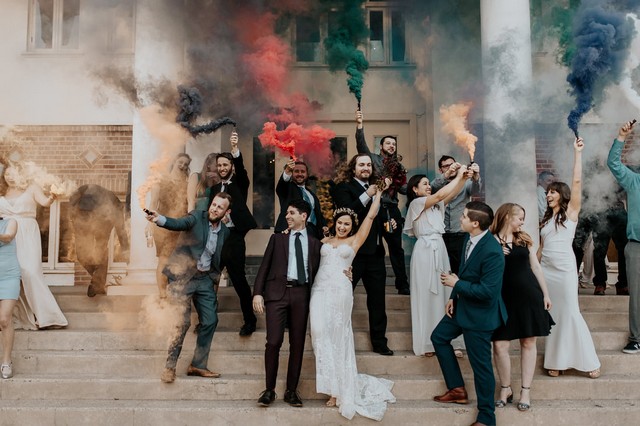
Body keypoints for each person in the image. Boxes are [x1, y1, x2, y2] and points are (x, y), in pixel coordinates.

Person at [310, 179, 396, 421]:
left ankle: (336, 391)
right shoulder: (325, 241)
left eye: (347, 224)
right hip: (319, 291)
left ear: (351, 226)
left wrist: (378, 194)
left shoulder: (354, 241)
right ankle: (329, 382)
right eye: (340, 223)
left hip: (340, 292)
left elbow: (369, 218)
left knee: (338, 338)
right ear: (334, 223)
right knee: (318, 333)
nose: (343, 227)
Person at [431, 201, 506, 426]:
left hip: (480, 317)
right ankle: (457, 389)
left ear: (475, 223)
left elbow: (488, 292)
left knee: (481, 367)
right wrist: (454, 297)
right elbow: (465, 273)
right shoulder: (468, 238)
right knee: (438, 337)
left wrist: (457, 284)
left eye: (463, 216)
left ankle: (486, 417)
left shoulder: (493, 251)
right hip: (461, 307)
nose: (460, 219)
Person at [146, 192, 231, 384]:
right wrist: (158, 219)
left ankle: (198, 365)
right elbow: (177, 223)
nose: (215, 209)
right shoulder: (196, 217)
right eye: (214, 205)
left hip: (204, 280)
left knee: (210, 320)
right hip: (182, 278)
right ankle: (170, 366)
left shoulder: (225, 231)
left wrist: (213, 279)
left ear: (226, 212)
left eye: (220, 207)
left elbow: (219, 259)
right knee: (181, 322)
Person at [539, 137, 601, 379]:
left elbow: (577, 181)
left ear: (562, 195)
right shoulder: (544, 220)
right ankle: (556, 361)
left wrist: (577, 153)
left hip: (564, 270)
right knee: (553, 316)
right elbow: (540, 251)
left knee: (570, 313)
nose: (549, 195)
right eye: (547, 192)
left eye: (553, 192)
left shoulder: (571, 214)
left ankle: (588, 360)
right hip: (546, 271)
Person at [252, 199, 322, 408]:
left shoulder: (315, 244)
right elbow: (264, 267)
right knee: (273, 341)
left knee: (297, 344)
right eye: (287, 213)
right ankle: (269, 390)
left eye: (292, 213)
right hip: (277, 295)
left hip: (302, 295)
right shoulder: (277, 239)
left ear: (304, 216)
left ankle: (291, 391)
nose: (287, 216)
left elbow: (323, 269)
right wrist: (257, 293)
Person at [490, 203, 554, 412]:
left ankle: (525, 390)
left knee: (528, 342)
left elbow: (535, 266)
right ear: (508, 216)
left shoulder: (523, 239)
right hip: (502, 299)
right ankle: (505, 388)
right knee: (499, 345)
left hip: (528, 295)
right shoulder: (489, 240)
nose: (522, 222)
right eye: (520, 218)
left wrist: (545, 293)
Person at [403, 169, 470, 357]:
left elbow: (451, 193)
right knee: (426, 295)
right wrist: (457, 177)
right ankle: (427, 342)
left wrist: (463, 178)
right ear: (415, 189)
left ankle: (448, 338)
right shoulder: (417, 203)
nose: (428, 186)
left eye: (428, 183)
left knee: (444, 291)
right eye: (424, 184)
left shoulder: (435, 206)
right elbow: (441, 193)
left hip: (439, 249)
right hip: (424, 251)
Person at [331, 154, 393, 356]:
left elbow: (382, 215)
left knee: (377, 300)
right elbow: (346, 213)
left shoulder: (378, 189)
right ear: (353, 168)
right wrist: (368, 194)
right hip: (352, 254)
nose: (366, 168)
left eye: (368, 165)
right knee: (342, 296)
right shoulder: (343, 187)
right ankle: (337, 337)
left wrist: (391, 222)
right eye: (361, 165)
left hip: (375, 253)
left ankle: (379, 341)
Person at [0, 163, 68, 330]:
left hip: (27, 233)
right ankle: (19, 316)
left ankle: (49, 317)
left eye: (12, 173)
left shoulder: (31, 188)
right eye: (6, 174)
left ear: (21, 173)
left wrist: (53, 196)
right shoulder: (2, 191)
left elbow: (45, 202)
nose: (8, 176)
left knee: (30, 272)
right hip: (6, 235)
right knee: (13, 275)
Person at [355, 110, 409, 295]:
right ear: (381, 145)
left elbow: (404, 189)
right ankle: (366, 282)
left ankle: (402, 284)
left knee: (396, 249)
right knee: (371, 246)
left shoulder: (399, 167)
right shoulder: (373, 160)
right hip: (374, 209)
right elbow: (361, 146)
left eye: (394, 144)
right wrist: (360, 125)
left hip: (392, 210)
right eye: (388, 143)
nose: (392, 146)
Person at [210, 130, 258, 336]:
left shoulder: (240, 183)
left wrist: (235, 150)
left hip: (234, 237)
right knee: (210, 279)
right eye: (219, 165)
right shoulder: (213, 188)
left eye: (225, 165)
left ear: (230, 167)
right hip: (216, 238)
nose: (222, 168)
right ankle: (207, 319)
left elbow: (241, 167)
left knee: (239, 281)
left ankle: (250, 320)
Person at [608, 120, 640, 354]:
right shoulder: (634, 181)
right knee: (636, 296)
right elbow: (613, 163)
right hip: (636, 246)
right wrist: (621, 136)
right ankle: (636, 338)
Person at [69, 184, 130, 297]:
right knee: (81, 254)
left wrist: (125, 249)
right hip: (89, 213)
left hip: (105, 219)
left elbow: (121, 230)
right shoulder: (79, 200)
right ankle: (99, 281)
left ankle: (98, 281)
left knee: (100, 250)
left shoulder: (113, 207)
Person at [147, 153, 191, 298]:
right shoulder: (161, 181)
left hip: (182, 228)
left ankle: (175, 295)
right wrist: (148, 225)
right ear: (174, 162)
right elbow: (152, 204)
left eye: (186, 164)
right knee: (164, 259)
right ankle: (162, 295)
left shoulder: (188, 183)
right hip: (163, 227)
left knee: (180, 262)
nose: (183, 166)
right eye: (181, 162)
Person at [431, 155, 482, 275]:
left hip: (459, 233)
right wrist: (448, 173)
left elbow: (475, 191)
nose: (451, 167)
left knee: (459, 266)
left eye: (452, 164)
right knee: (440, 266)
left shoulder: (465, 183)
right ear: (441, 170)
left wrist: (476, 177)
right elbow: (433, 187)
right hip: (441, 233)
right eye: (446, 166)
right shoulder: (439, 183)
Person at [275, 158, 326, 239]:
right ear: (292, 173)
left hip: (313, 233)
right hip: (290, 232)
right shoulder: (287, 189)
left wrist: (324, 226)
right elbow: (282, 185)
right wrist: (287, 171)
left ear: (307, 174)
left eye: (303, 172)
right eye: (296, 171)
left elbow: (318, 214)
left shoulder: (311, 194)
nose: (300, 174)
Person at [0, 216, 20, 379]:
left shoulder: (10, 222)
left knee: (5, 319)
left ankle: (6, 361)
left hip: (8, 277)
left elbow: (8, 237)